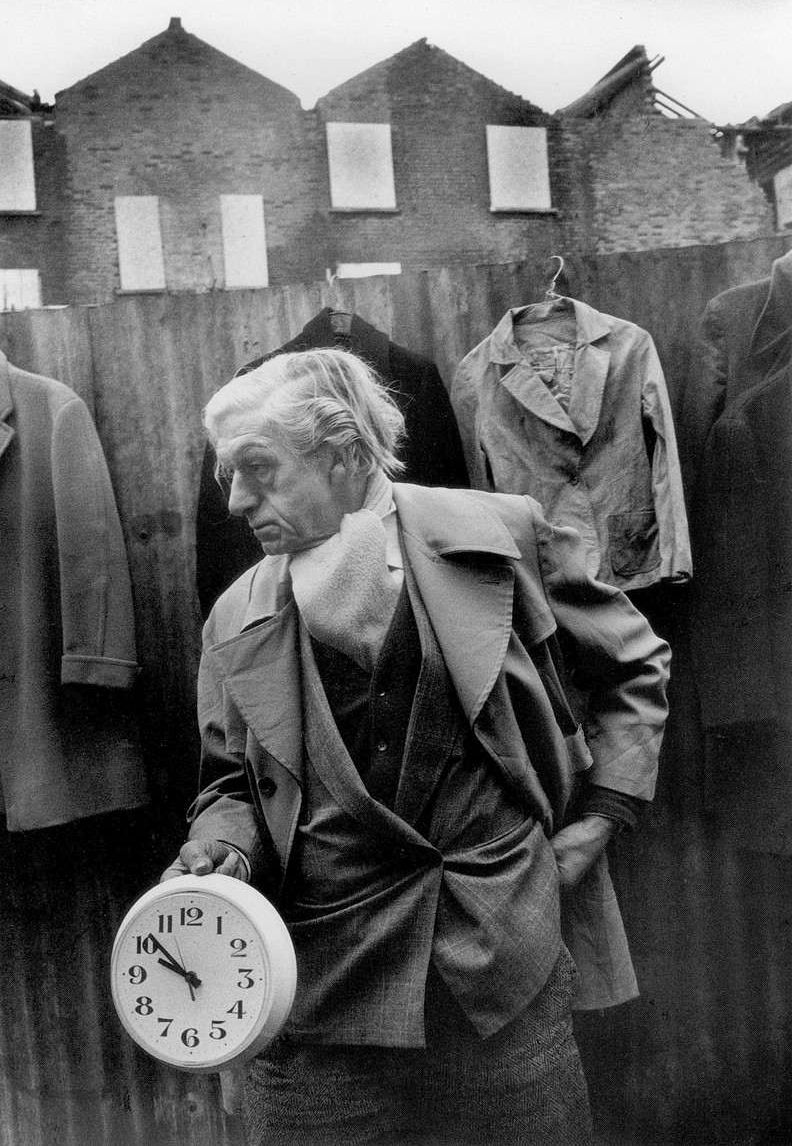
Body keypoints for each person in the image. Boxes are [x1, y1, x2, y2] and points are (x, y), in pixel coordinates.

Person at [164, 348, 670, 1146]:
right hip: (324, 994)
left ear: (338, 451)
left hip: (501, 974)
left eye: (257, 469)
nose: (233, 499)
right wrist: (217, 848)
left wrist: (606, 810)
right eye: (228, 473)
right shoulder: (235, 616)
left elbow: (634, 662)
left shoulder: (501, 536)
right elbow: (230, 783)